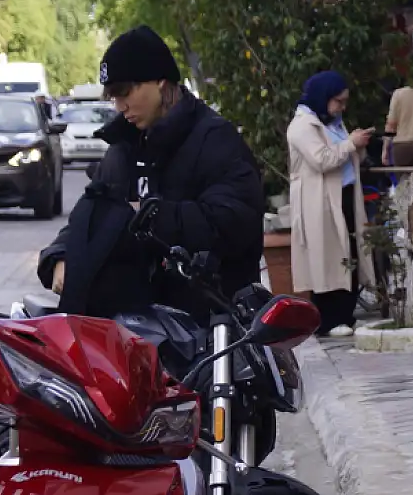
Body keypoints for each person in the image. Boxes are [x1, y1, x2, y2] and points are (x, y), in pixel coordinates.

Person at [39, 26, 264, 322]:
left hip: (209, 327)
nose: (120, 107)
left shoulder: (215, 139)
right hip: (133, 326)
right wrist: (60, 255)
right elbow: (92, 213)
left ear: (160, 81)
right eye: (113, 97)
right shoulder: (123, 146)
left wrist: (147, 216)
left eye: (125, 92)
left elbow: (233, 224)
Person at [287, 72, 373, 337]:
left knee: (349, 253)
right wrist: (350, 144)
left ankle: (346, 314)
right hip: (319, 201)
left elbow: (344, 153)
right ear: (324, 98)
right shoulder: (302, 126)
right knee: (326, 257)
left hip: (343, 194)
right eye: (338, 101)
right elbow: (322, 159)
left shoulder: (333, 123)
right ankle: (328, 319)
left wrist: (357, 144)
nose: (342, 108)